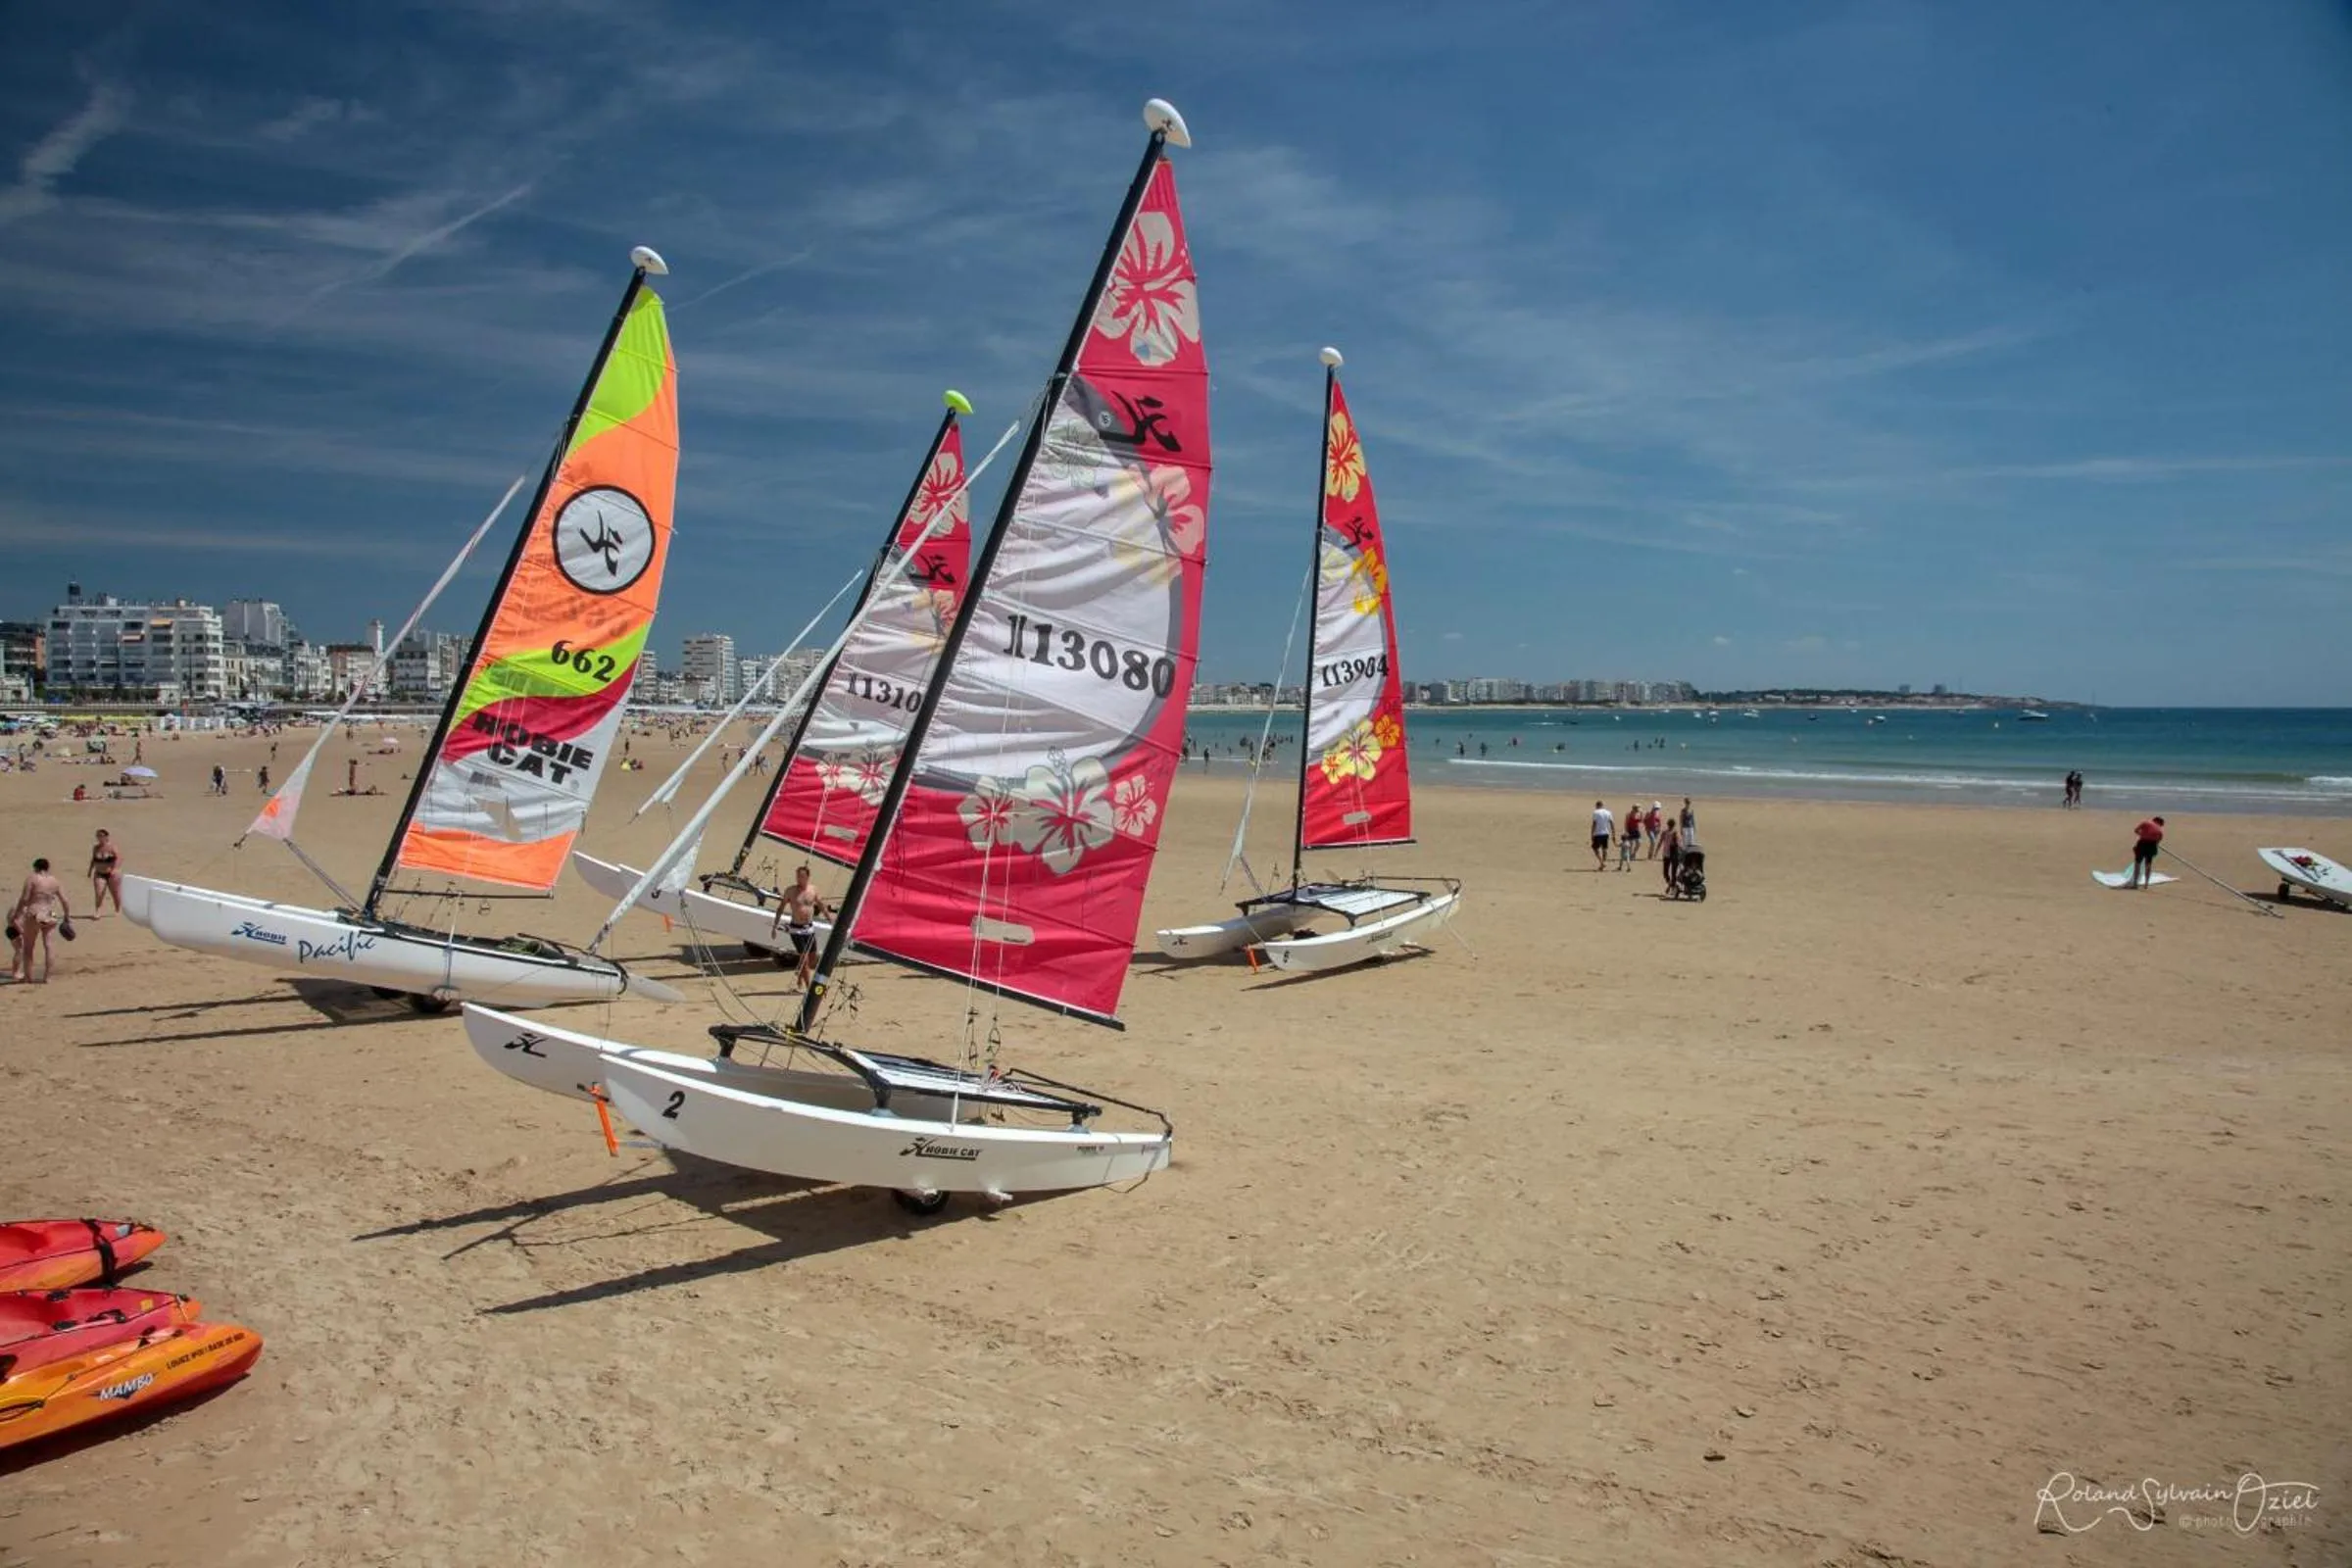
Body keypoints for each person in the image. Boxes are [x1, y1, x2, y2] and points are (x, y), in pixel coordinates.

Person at [9, 858, 71, 984]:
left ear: (36, 868)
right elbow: (65, 900)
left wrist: (16, 914)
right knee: (49, 945)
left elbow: (25, 898)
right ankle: (48, 977)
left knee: (28, 947)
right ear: (47, 868)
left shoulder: (32, 878)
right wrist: (67, 916)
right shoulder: (54, 881)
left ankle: (28, 977)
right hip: (50, 913)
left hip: (35, 912)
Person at [770, 865, 829, 989]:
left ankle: (800, 976)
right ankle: (809, 989)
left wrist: (831, 920)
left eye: (801, 876)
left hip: (809, 928)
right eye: (797, 876)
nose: (799, 879)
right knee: (804, 961)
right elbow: (780, 908)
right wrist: (775, 926)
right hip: (796, 929)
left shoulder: (813, 890)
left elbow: (822, 906)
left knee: (813, 960)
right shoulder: (790, 891)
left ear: (807, 877)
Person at [87, 830, 122, 916]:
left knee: (115, 893)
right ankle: (98, 911)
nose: (99, 838)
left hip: (111, 874)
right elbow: (93, 859)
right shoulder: (96, 848)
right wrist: (90, 870)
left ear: (106, 837)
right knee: (99, 892)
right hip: (99, 873)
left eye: (101, 836)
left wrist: (114, 869)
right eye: (98, 836)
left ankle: (118, 909)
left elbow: (118, 858)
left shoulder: (112, 847)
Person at [2129, 815, 2166, 888]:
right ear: (2159, 822)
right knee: (2148, 864)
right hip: (2152, 845)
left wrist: (2143, 835)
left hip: (2143, 843)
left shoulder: (2145, 823)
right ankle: (2146, 884)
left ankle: (2135, 884)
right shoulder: (2159, 829)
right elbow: (2160, 838)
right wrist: (2155, 843)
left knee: (2137, 863)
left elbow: (2136, 830)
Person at [1660, 817, 1684, 894]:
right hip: (1669, 854)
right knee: (1668, 872)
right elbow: (1680, 844)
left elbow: (1679, 843)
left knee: (1670, 873)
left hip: (1672, 855)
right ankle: (1671, 885)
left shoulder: (1675, 833)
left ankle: (1672, 887)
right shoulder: (1666, 832)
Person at [1589, 801, 1614, 871]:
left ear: (1597, 805)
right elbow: (1612, 823)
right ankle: (1603, 863)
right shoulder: (1608, 812)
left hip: (1598, 833)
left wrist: (1592, 834)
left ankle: (1602, 862)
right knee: (1604, 848)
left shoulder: (1596, 812)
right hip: (1606, 833)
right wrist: (1613, 833)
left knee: (1595, 848)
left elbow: (1594, 824)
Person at [1617, 803, 1641, 871]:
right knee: (1630, 844)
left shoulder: (1638, 814)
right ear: (1633, 808)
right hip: (1630, 830)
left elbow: (1640, 821)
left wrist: (1641, 814)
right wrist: (1626, 831)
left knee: (1639, 843)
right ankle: (1629, 857)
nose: (1637, 809)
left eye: (1638, 808)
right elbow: (1626, 823)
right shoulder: (1628, 814)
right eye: (1636, 808)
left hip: (1636, 830)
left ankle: (1633, 854)